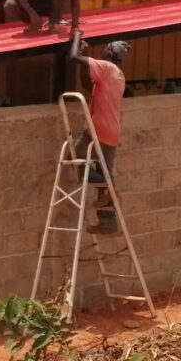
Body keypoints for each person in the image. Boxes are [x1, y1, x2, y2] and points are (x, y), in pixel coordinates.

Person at [69, 36, 131, 234]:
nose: (103, 52)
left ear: (110, 53)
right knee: (102, 172)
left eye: (105, 50)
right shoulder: (118, 75)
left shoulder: (106, 67)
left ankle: (110, 190)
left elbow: (73, 57)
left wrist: (77, 40)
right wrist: (85, 55)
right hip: (111, 131)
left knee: (76, 159)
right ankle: (108, 222)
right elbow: (88, 85)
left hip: (98, 131)